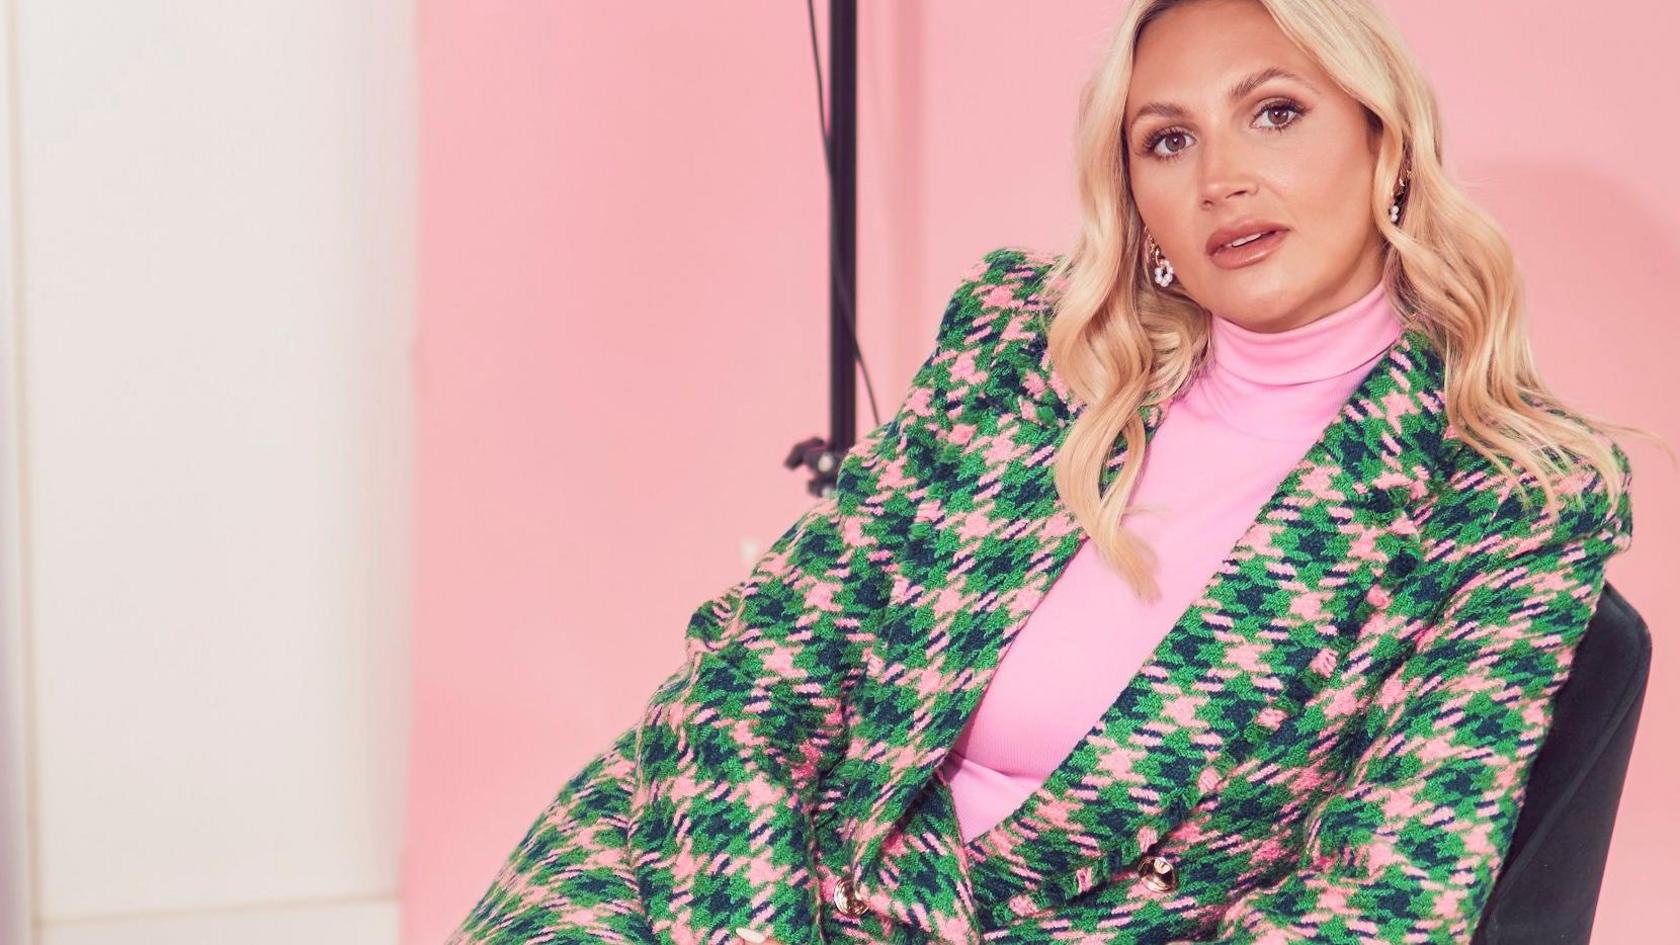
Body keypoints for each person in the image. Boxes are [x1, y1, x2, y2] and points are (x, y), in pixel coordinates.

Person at [445, 1, 1648, 943]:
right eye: (1167, 141)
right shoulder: (1031, 350)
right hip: (734, 869)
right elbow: (754, 688)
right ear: (1139, 204)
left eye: (1274, 112)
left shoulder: (1511, 496)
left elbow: (1382, 899)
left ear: (1386, 143)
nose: (1220, 174)